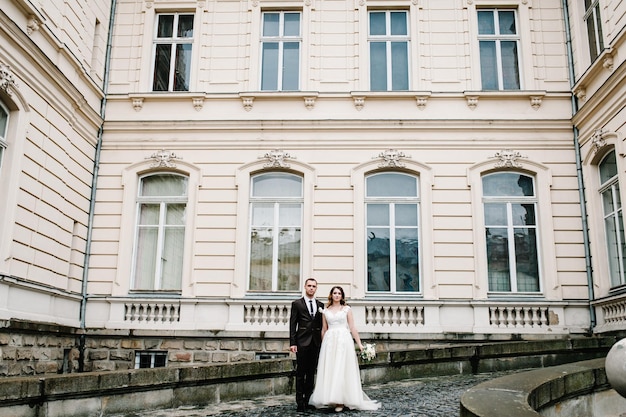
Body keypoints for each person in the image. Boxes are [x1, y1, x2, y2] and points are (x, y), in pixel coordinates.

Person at [308, 286, 381, 412]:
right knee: (331, 368)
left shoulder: (347, 309)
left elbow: (352, 327)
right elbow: (324, 329)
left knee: (342, 368)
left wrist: (359, 344)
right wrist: (322, 345)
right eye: (334, 293)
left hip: (343, 340)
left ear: (342, 296)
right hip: (330, 341)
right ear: (331, 295)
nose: (337, 295)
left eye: (339, 293)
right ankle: (331, 398)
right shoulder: (325, 310)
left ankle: (341, 401)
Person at [289, 278, 324, 412]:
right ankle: (300, 402)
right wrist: (292, 343)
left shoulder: (320, 305)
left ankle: (308, 399)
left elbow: (321, 325)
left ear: (316, 288)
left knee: (311, 373)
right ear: (305, 287)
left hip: (315, 343)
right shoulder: (297, 304)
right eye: (309, 286)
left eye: (314, 286)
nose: (311, 288)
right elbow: (293, 324)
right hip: (302, 342)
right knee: (300, 373)